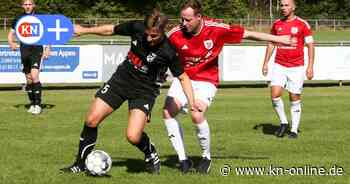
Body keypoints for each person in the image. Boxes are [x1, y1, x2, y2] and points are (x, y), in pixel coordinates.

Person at [163, 0, 295, 174]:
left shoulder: (216, 29)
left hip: (205, 80)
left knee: (196, 114)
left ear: (199, 17)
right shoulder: (175, 34)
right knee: (168, 111)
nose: (183, 23)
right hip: (183, 79)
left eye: (188, 20)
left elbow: (248, 34)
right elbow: (159, 53)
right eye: (182, 19)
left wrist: (279, 39)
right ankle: (183, 159)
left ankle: (206, 156)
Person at [60, 9, 199, 175]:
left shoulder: (169, 51)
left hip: (144, 90)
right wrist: (83, 30)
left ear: (163, 31)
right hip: (121, 80)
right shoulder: (136, 27)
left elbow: (183, 77)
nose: (149, 38)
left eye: (154, 35)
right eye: (147, 34)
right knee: (91, 120)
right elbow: (111, 29)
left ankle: (150, 152)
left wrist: (192, 102)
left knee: (133, 136)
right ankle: (80, 164)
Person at [262, 0, 315, 139]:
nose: (283, 8)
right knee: (274, 94)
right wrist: (265, 62)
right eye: (282, 5)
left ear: (293, 7)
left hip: (296, 67)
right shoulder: (277, 24)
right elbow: (271, 43)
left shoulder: (303, 24)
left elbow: (310, 45)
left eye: (287, 5)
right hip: (279, 64)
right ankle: (284, 122)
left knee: (294, 97)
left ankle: (294, 130)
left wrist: (310, 66)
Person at [7, 0, 50, 115]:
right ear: (22, 6)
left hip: (37, 50)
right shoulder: (18, 19)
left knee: (35, 76)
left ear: (33, 5)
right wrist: (11, 43)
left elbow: (47, 34)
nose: (27, 6)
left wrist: (47, 48)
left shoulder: (39, 18)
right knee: (29, 79)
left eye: (29, 4)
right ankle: (32, 103)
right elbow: (11, 33)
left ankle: (38, 104)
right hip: (24, 50)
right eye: (25, 4)